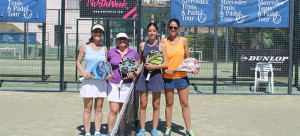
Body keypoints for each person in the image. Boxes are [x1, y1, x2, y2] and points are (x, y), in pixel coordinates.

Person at [161, 19, 199, 136]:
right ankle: (168, 128)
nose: (173, 30)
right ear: (168, 28)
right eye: (171, 27)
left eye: (175, 28)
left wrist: (193, 68)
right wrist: (164, 69)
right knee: (169, 103)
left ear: (178, 29)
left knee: (185, 104)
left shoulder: (184, 41)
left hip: (181, 77)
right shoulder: (162, 42)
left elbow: (188, 59)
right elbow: (161, 60)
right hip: (168, 77)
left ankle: (188, 129)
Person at [76, 24, 111, 136]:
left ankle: (97, 132)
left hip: (100, 83)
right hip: (88, 83)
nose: (97, 33)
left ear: (102, 34)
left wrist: (108, 74)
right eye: (95, 31)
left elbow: (105, 66)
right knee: (88, 108)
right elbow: (78, 62)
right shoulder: (84, 47)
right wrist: (84, 73)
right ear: (92, 33)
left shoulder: (104, 49)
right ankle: (87, 132)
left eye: (100, 32)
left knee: (99, 108)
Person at [136, 23, 168, 136]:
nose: (152, 33)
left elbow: (166, 64)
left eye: (154, 31)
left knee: (156, 104)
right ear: (147, 32)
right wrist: (137, 70)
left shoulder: (162, 46)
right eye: (150, 31)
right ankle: (142, 129)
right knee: (143, 104)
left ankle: (154, 129)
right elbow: (139, 61)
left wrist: (153, 67)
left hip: (156, 77)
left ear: (157, 32)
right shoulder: (142, 45)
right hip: (144, 76)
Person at [106, 32, 141, 135]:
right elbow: (107, 66)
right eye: (120, 39)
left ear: (127, 40)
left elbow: (138, 67)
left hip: (127, 85)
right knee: (114, 109)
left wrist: (134, 74)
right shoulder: (111, 52)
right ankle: (110, 132)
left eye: (124, 39)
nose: (122, 41)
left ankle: (121, 131)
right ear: (117, 40)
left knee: (123, 111)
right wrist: (108, 73)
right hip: (113, 84)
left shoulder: (133, 53)